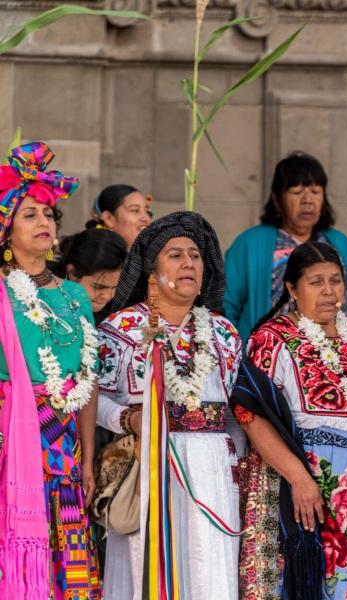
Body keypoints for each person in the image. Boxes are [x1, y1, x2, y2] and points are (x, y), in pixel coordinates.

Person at [96, 212, 243, 599]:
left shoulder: (223, 333)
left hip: (211, 471)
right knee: (146, 567)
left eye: (195, 255)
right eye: (175, 255)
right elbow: (92, 399)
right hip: (148, 464)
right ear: (151, 269)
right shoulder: (121, 329)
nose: (189, 263)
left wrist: (233, 469)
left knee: (209, 570)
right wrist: (128, 418)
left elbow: (234, 414)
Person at [231, 240, 347, 600]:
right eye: (316, 282)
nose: (330, 292)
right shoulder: (272, 339)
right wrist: (299, 478)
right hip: (307, 488)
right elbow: (250, 415)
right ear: (291, 288)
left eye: (336, 280)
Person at [0, 142, 101, 598]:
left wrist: (88, 454)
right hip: (11, 436)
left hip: (63, 441)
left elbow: (87, 379)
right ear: (5, 229)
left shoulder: (75, 296)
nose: (43, 222)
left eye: (48, 214)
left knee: (66, 547)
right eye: (29, 215)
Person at [225, 151, 347, 340]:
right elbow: (227, 306)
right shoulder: (250, 244)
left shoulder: (340, 244)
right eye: (297, 192)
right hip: (269, 358)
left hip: (335, 356)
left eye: (315, 192)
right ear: (277, 198)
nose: (308, 200)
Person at [51, 228, 127, 324]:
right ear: (72, 273)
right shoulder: (36, 294)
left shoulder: (117, 313)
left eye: (115, 287)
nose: (107, 296)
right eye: (99, 286)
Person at [85, 183, 152, 248]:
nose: (147, 219)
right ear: (108, 219)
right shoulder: (96, 257)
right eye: (135, 210)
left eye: (147, 211)